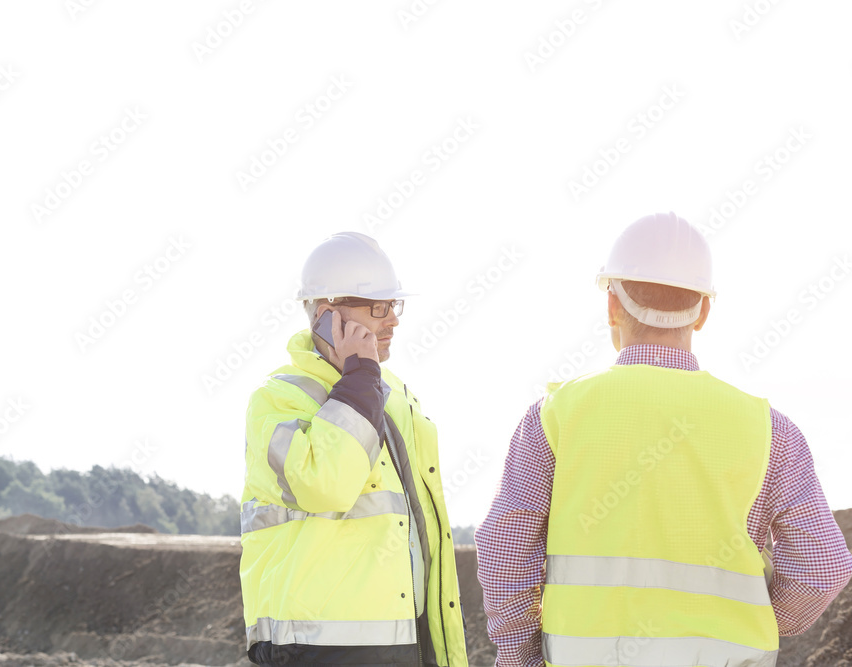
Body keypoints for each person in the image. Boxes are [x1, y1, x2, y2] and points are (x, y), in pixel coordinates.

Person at [475, 212, 852, 667]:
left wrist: (521, 656)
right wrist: (755, 620)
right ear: (704, 312)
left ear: (612, 305)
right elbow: (823, 567)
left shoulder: (553, 417)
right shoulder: (771, 430)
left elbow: (503, 551)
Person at [240, 231, 469, 666]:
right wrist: (359, 380)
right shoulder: (276, 401)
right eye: (379, 307)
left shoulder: (394, 397)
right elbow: (327, 484)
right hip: (316, 649)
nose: (393, 320)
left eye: (394, 306)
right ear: (328, 316)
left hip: (404, 644)